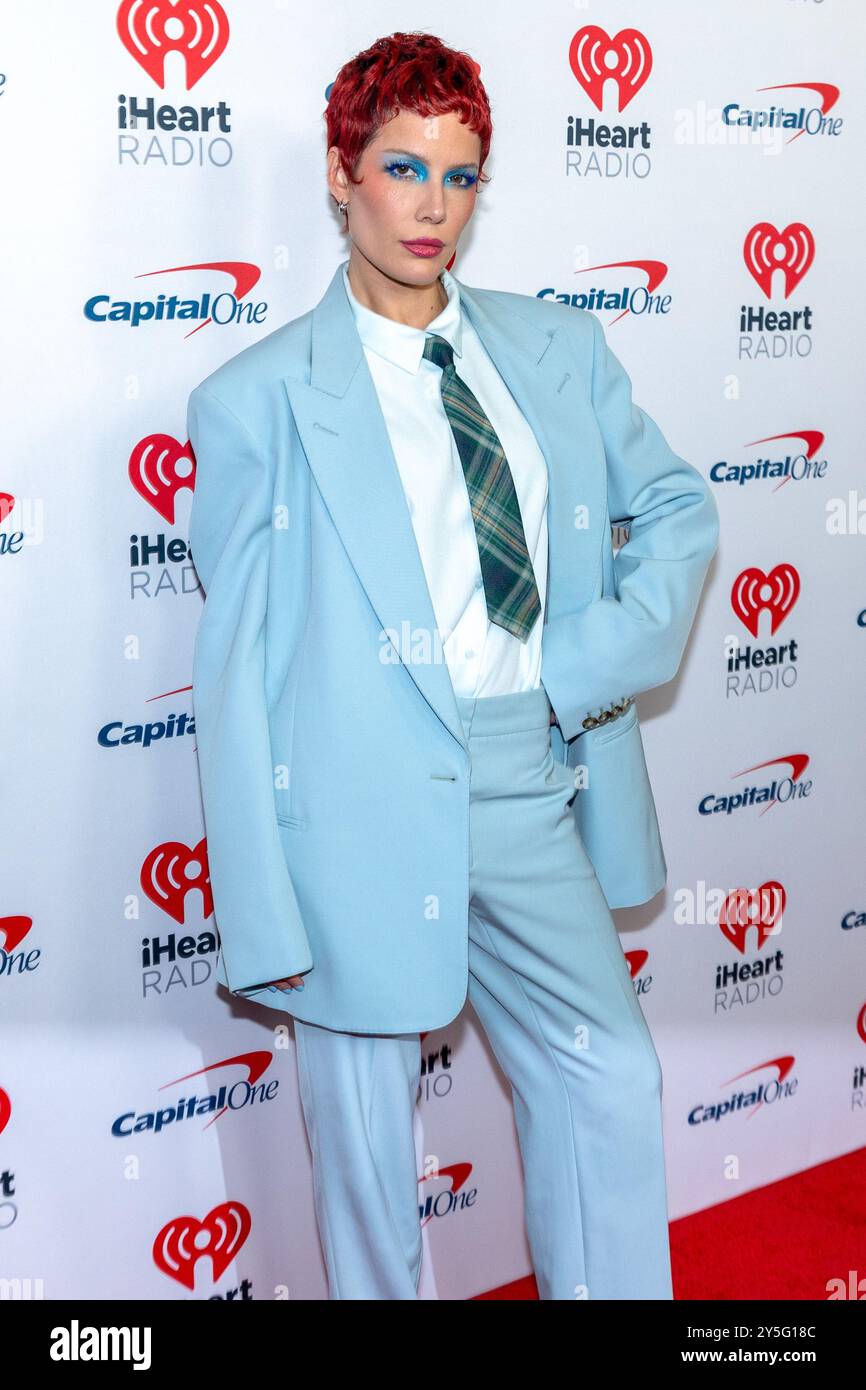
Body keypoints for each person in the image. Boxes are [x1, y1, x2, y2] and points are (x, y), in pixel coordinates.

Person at [187, 31, 719, 1300]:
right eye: (401, 166)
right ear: (338, 172)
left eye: (460, 175)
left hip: (525, 773)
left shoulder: (554, 349)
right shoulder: (256, 399)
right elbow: (235, 673)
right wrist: (260, 898)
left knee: (608, 1073)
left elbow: (678, 510)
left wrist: (577, 661)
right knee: (368, 1161)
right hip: (352, 816)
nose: (431, 206)